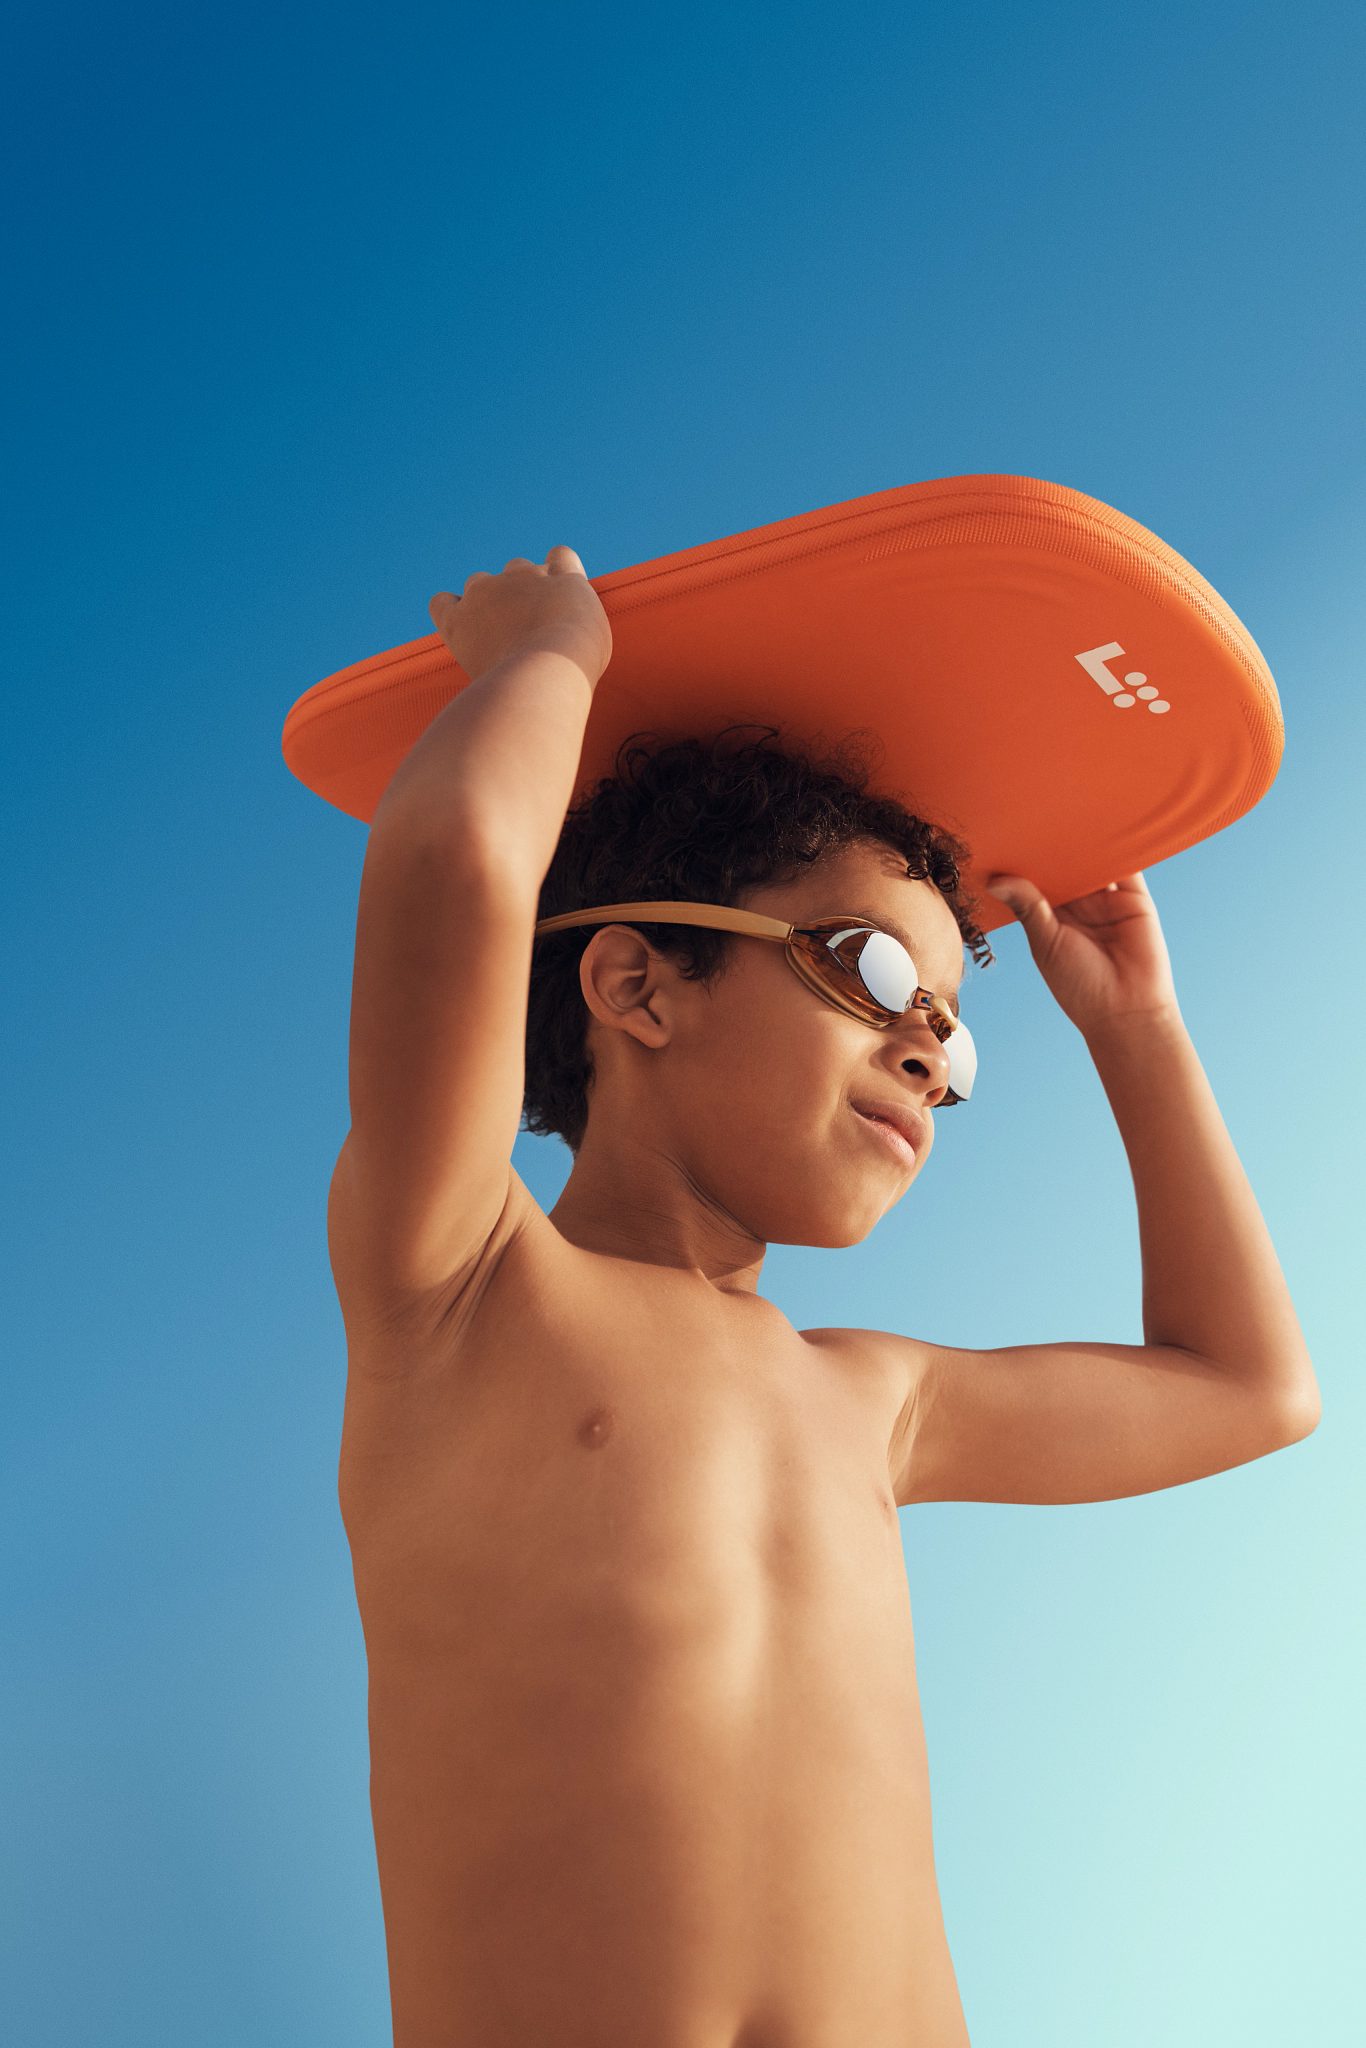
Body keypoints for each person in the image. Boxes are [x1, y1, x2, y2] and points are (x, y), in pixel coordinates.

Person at [326, 545, 1320, 2048]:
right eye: (865, 972)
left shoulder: (878, 1401)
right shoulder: (464, 1282)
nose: (929, 1052)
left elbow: (1250, 1389)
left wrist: (1137, 1033)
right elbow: (460, 861)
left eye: (951, 1033)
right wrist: (547, 661)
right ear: (637, 989)